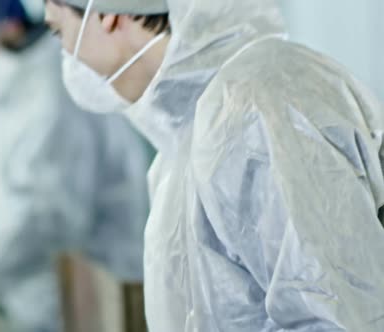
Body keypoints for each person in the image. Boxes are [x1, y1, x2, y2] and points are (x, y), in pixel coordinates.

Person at [44, 0, 384, 331]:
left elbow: (341, 316)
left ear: (107, 15)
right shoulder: (187, 142)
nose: (71, 61)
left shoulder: (257, 104)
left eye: (61, 33)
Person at [0, 0, 150, 331]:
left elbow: (46, 213)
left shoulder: (57, 87)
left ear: (7, 26)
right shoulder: (3, 82)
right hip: (43, 295)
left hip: (98, 294)